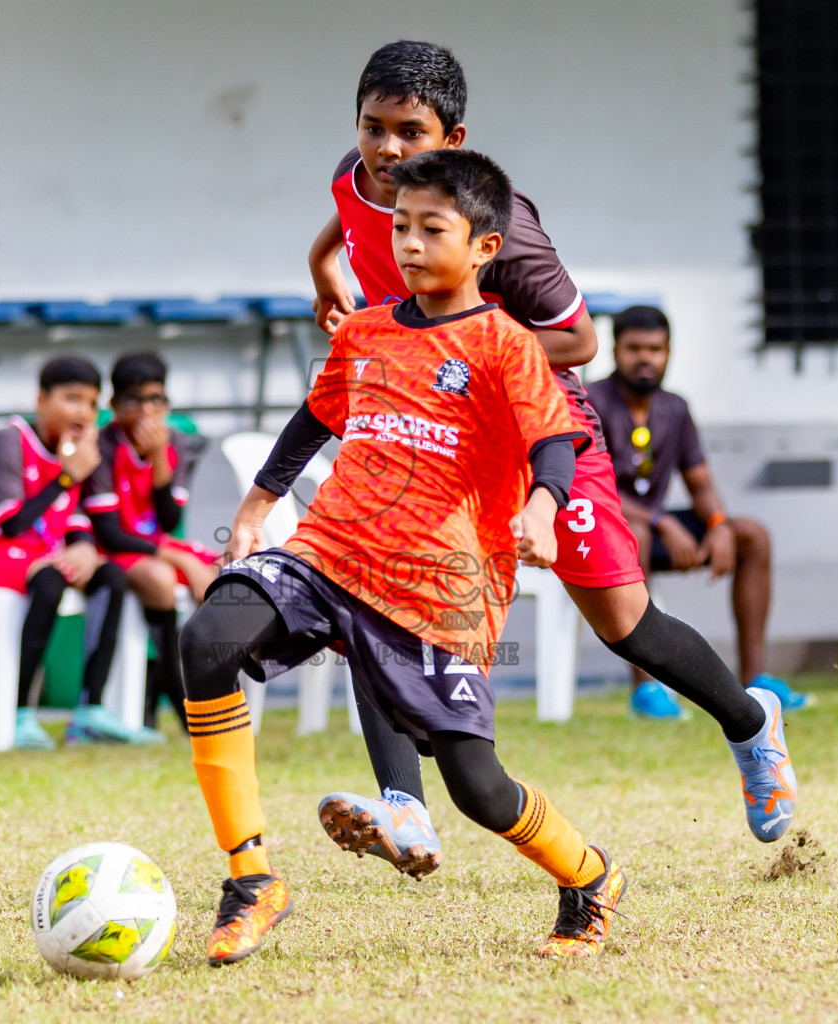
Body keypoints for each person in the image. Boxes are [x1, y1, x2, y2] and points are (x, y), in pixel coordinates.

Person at [304, 41, 797, 876]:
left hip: (538, 430)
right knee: (371, 597)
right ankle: (406, 811)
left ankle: (751, 725)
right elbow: (341, 224)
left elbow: (578, 338)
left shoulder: (508, 225)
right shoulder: (361, 177)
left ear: (453, 136)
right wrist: (323, 273)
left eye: (409, 133)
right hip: (428, 434)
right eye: (372, 129)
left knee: (625, 625)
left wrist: (460, 349)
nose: (388, 152)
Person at [182, 150, 627, 964]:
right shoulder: (365, 330)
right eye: (400, 227)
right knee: (208, 640)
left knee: (477, 789)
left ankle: (589, 876)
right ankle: (251, 880)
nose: (411, 244)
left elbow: (556, 440)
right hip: (331, 549)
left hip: (439, 586)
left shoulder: (506, 344)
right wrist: (258, 503)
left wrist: (543, 508)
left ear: (486, 248)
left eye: (432, 229)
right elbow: (317, 416)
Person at [586, 305, 811, 717]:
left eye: (655, 349)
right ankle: (647, 691)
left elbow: (701, 483)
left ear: (669, 352)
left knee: (752, 535)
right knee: (636, 533)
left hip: (658, 531)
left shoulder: (675, 408)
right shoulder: (589, 401)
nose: (645, 358)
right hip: (602, 532)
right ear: (615, 350)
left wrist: (719, 524)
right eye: (634, 348)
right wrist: (662, 519)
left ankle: (756, 680)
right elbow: (590, 486)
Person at [0, 356, 155, 751]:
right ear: (41, 399)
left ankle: (90, 712)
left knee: (110, 576)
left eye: (91, 403)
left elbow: (73, 520)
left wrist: (86, 549)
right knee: (50, 578)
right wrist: (69, 475)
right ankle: (19, 713)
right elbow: (10, 524)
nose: (83, 412)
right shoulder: (9, 441)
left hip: (34, 555)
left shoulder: (74, 451)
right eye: (71, 399)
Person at [83, 352, 220, 733]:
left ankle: (208, 695)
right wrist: (181, 560)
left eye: (156, 400)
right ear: (114, 407)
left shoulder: (174, 442)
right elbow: (109, 533)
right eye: (134, 401)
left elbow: (169, 521)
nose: (146, 411)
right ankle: (180, 704)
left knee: (224, 579)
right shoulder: (104, 447)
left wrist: (159, 456)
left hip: (153, 543)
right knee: (161, 580)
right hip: (109, 550)